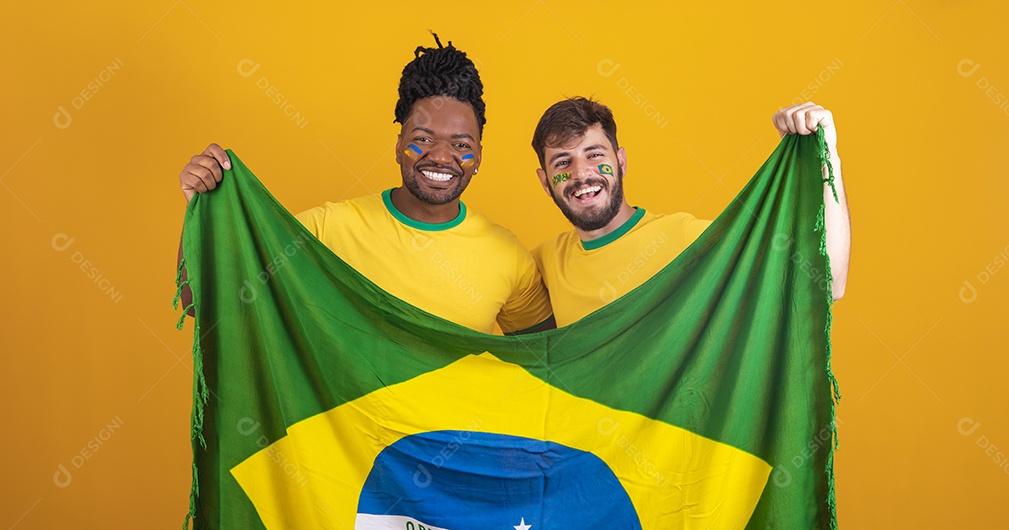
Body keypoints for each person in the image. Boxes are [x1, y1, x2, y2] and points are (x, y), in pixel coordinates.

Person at [177, 36, 555, 335]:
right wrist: (200, 208)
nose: (441, 156)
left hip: (450, 436)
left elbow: (548, 364)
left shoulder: (508, 257)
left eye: (460, 145)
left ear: (479, 158)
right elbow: (203, 304)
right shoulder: (328, 230)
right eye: (422, 139)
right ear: (398, 147)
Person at [530, 97, 851, 325]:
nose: (582, 173)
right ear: (546, 182)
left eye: (594, 154)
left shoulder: (686, 239)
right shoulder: (542, 264)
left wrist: (825, 157)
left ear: (621, 162)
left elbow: (826, 281)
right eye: (563, 162)